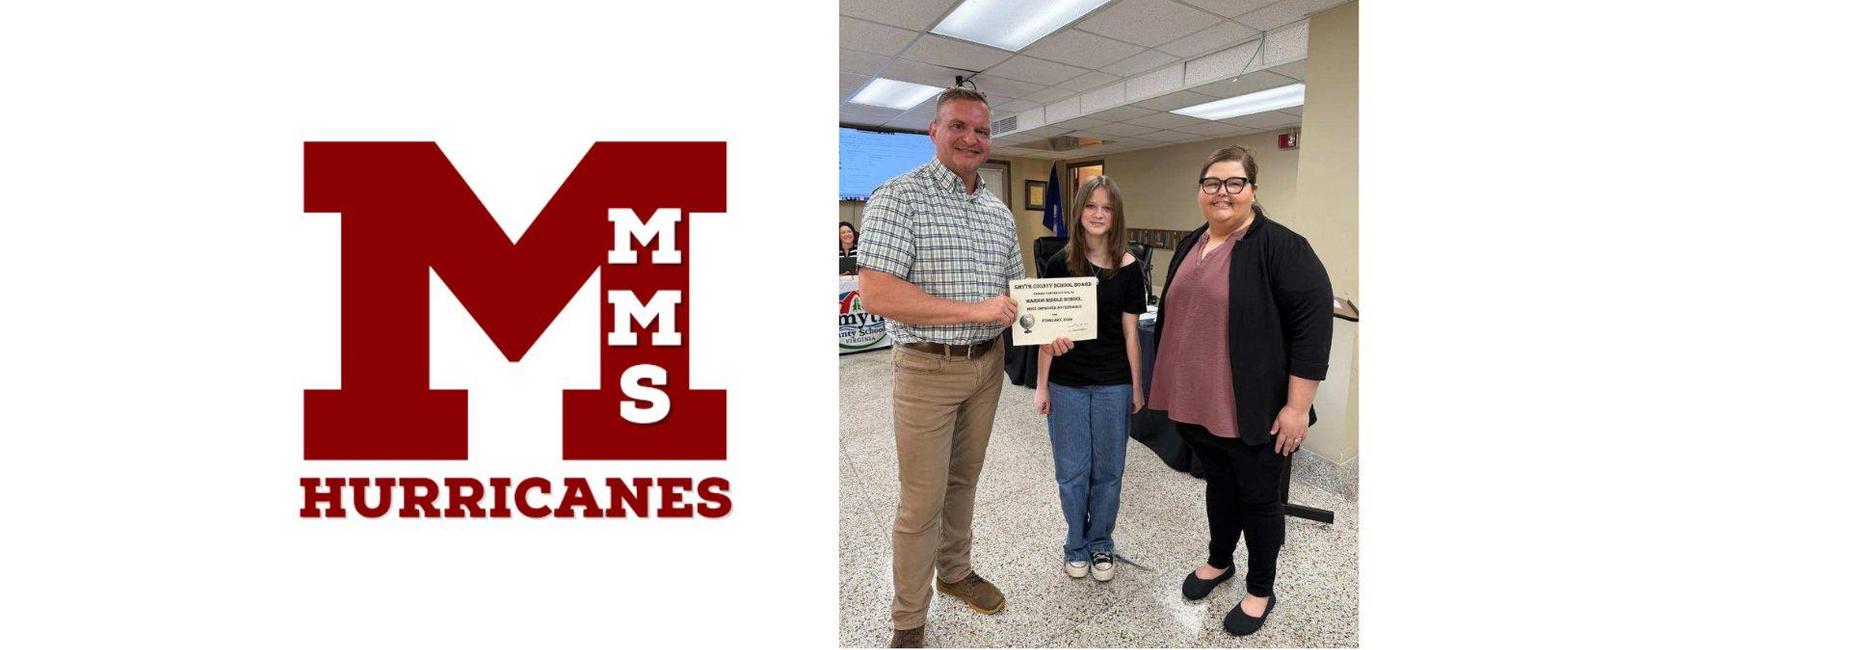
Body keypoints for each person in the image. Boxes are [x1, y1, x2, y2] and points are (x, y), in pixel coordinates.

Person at [855, 86, 1024, 649]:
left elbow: (1015, 292)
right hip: (927, 370)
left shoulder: (999, 212)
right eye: (959, 126)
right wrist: (973, 310)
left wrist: (1045, 326)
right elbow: (876, 292)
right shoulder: (899, 197)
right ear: (934, 131)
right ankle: (908, 620)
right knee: (920, 500)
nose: (971, 138)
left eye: (981, 130)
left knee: (964, 482)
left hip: (987, 367)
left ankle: (954, 574)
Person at [1147, 145, 1332, 637]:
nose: (1222, 192)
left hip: (1253, 411)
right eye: (1212, 183)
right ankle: (1219, 560)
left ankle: (1260, 588)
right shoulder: (1192, 242)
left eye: (1234, 183)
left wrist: (1297, 407)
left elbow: (1311, 333)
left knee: (1259, 499)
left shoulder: (1282, 247)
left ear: (1252, 189)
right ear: (1200, 191)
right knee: (1220, 486)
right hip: (1198, 406)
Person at [1033, 175, 1144, 583]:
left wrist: (1137, 385)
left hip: (1114, 383)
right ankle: (1075, 543)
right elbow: (1046, 333)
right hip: (1068, 383)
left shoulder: (1132, 269)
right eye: (1091, 206)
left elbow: (1132, 332)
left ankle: (1102, 543)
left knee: (1109, 471)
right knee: (1072, 470)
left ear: (1116, 216)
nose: (1098, 214)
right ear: (1078, 212)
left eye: (1107, 208)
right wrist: (1042, 386)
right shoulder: (1059, 263)